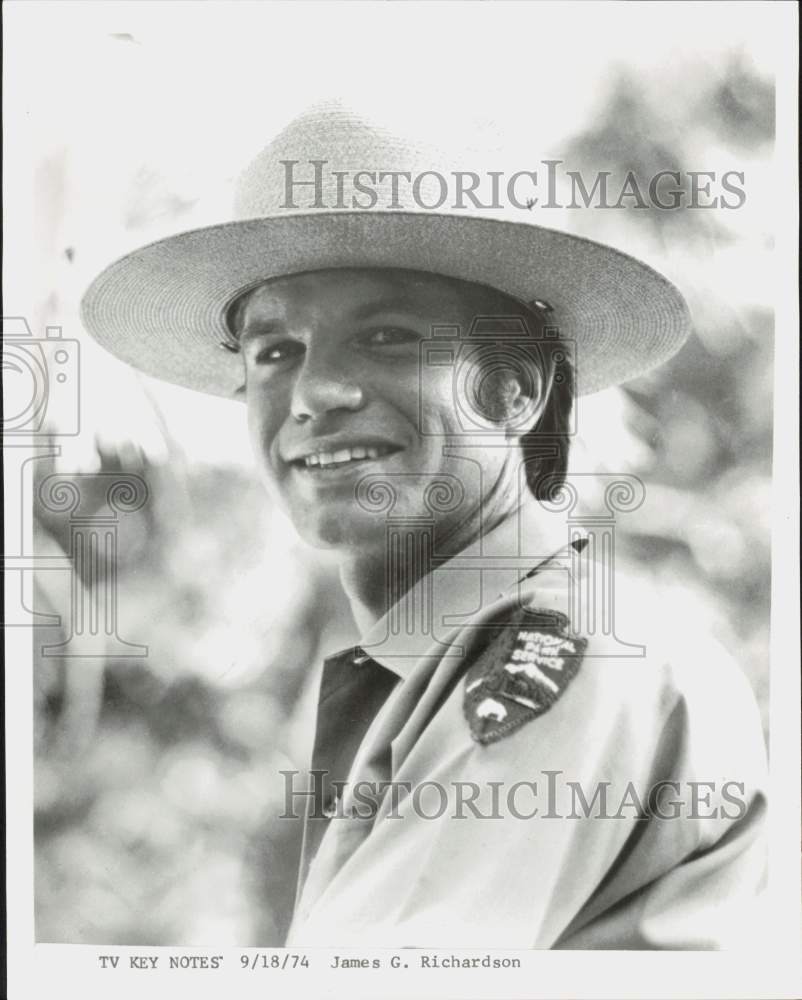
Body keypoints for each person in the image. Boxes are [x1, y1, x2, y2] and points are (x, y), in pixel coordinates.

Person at [81, 106, 767, 949]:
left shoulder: (570, 657)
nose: (313, 393)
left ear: (517, 389)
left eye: (386, 335)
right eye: (274, 352)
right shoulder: (440, 669)